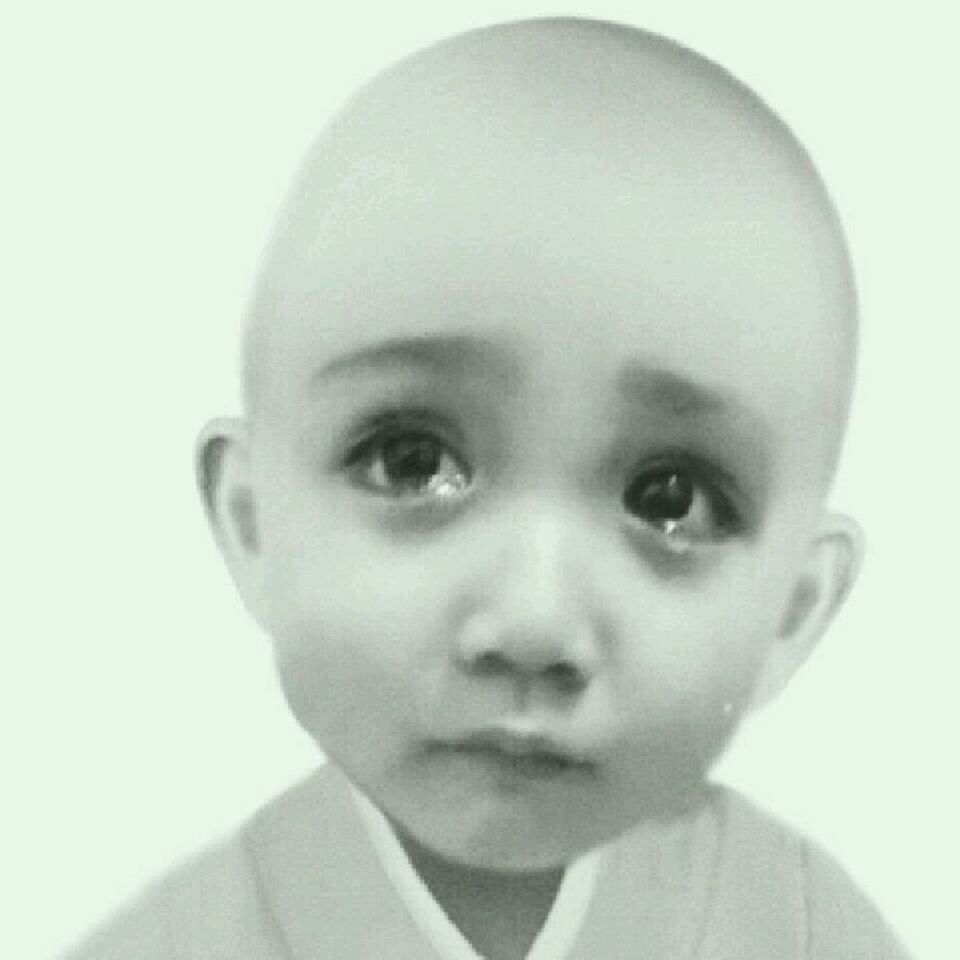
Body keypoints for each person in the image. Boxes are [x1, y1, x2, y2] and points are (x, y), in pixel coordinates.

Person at [64, 17, 911, 959]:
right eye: (411, 462)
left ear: (794, 611)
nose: (533, 626)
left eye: (672, 499)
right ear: (251, 519)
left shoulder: (803, 925)